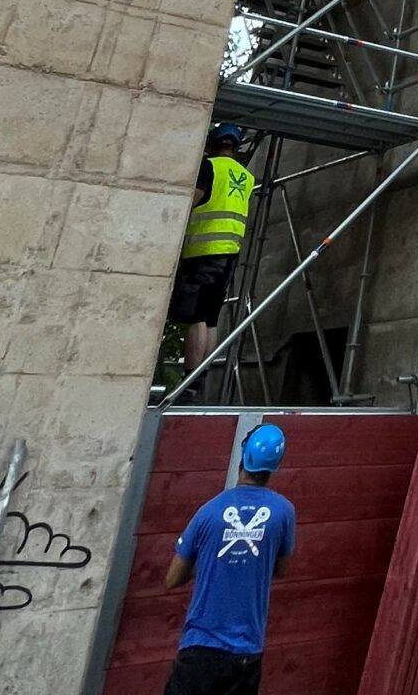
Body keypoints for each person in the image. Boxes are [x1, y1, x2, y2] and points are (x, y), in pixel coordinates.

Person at [162, 422, 296, 695]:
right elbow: (281, 569)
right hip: (246, 653)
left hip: (200, 649)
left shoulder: (209, 512)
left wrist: (206, 563)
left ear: (243, 456)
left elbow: (172, 579)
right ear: (274, 466)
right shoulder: (284, 512)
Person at [170, 124, 256, 379]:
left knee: (196, 315)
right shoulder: (246, 176)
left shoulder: (209, 168)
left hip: (202, 250)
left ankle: (190, 376)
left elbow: (190, 202)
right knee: (211, 317)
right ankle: (201, 378)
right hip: (230, 252)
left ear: (212, 144)